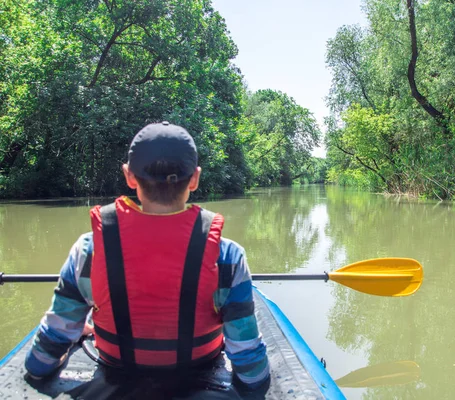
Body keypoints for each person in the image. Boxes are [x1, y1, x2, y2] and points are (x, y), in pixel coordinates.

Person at [24, 121, 270, 392]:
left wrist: (70, 336)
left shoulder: (88, 250)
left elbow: (40, 363)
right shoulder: (228, 256)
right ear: (195, 179)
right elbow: (250, 373)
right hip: (199, 367)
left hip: (115, 367)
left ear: (129, 177)